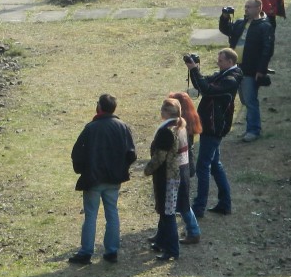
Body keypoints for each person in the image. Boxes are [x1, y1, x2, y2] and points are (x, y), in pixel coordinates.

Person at [68, 93, 137, 264]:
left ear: (99, 107)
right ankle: (111, 251)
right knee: (112, 213)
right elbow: (131, 154)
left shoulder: (91, 128)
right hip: (114, 179)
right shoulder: (122, 126)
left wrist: (82, 170)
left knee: (91, 215)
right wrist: (122, 169)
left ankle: (86, 252)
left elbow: (77, 153)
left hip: (93, 179)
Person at [185, 49, 242, 216]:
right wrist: (193, 68)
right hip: (211, 125)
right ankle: (225, 204)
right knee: (215, 165)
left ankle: (199, 207)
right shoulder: (225, 74)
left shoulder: (230, 80)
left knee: (203, 166)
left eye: (221, 61)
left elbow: (208, 89)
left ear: (230, 62)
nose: (218, 63)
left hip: (213, 127)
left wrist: (195, 70)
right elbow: (201, 85)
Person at [219, 0, 274, 142]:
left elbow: (267, 50)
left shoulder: (264, 27)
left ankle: (254, 130)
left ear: (258, 8)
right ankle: (251, 128)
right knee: (244, 99)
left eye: (249, 7)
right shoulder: (240, 23)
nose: (246, 9)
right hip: (237, 69)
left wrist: (261, 70)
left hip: (250, 69)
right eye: (245, 7)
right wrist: (224, 17)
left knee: (250, 100)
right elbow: (225, 29)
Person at [144, 97, 185, 260]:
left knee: (167, 213)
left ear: (167, 112)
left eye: (163, 109)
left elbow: (159, 157)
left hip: (166, 176)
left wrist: (148, 169)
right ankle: (161, 241)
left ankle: (172, 250)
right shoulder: (180, 127)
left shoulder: (166, 131)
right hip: (175, 174)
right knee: (164, 210)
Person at [167, 91, 202, 245]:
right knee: (176, 203)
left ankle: (194, 232)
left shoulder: (180, 126)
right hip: (186, 166)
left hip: (180, 168)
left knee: (182, 203)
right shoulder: (189, 120)